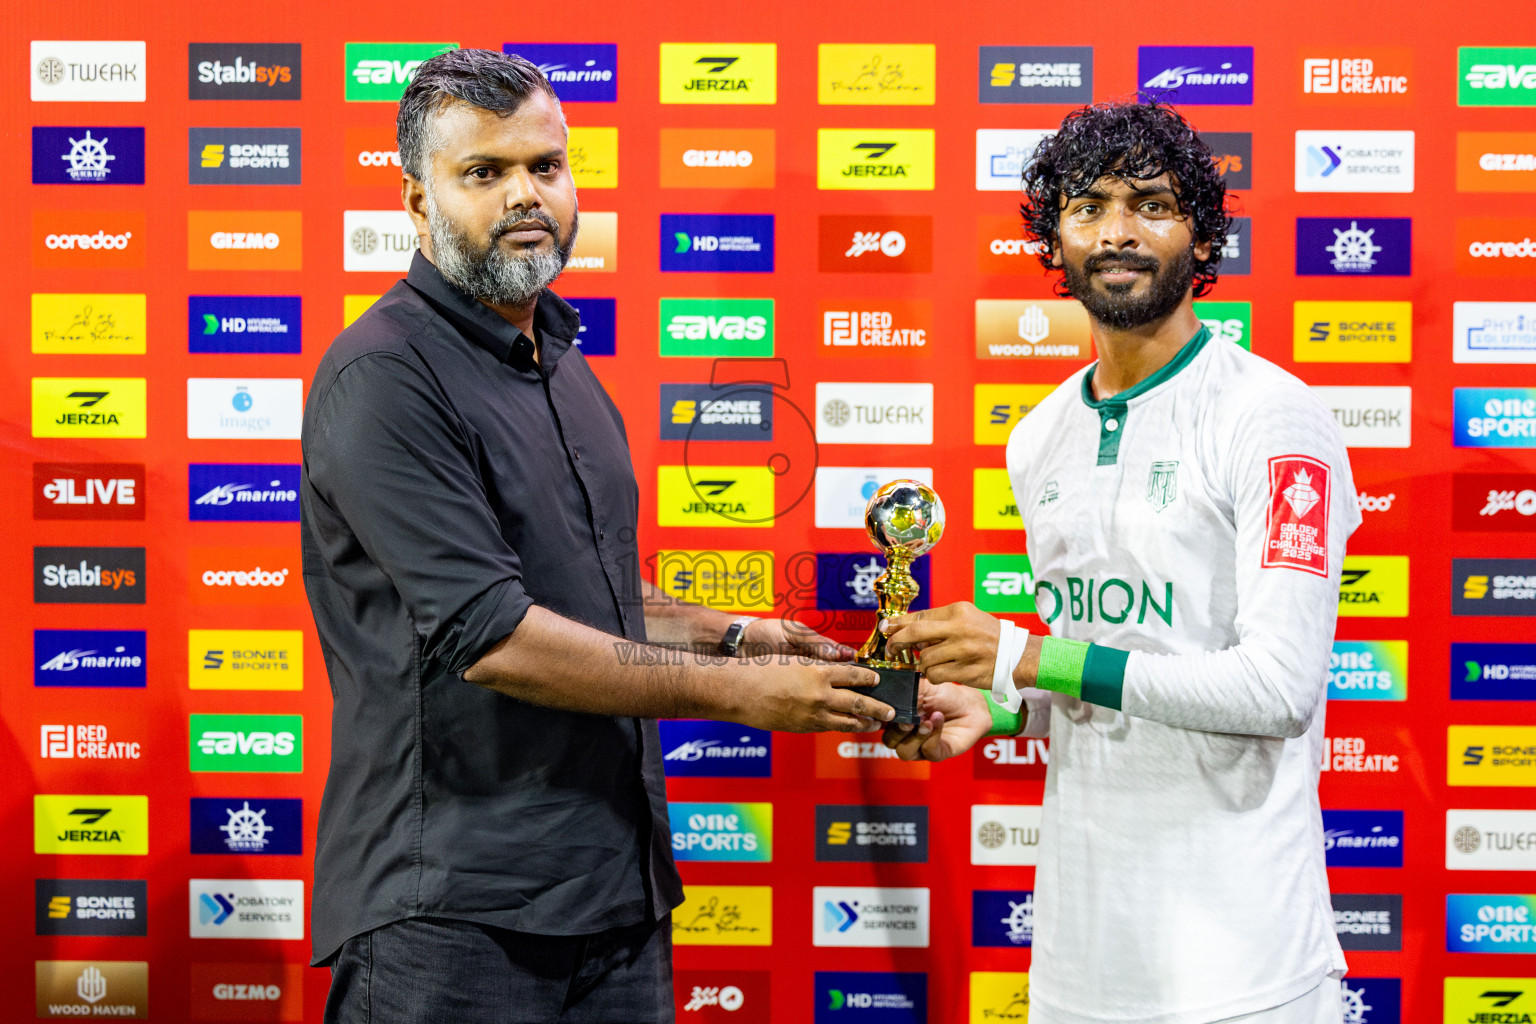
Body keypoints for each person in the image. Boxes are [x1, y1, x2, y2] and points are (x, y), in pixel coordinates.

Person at [300, 48, 889, 1024]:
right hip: (454, 913)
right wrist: (741, 692)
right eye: (483, 172)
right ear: (416, 203)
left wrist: (735, 635)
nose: (525, 193)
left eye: (544, 165)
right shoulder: (383, 376)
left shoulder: (561, 360)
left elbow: (590, 591)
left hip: (614, 892)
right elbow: (495, 634)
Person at [881, 100, 1359, 1023]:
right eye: (1087, 205)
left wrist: (1028, 659)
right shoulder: (1038, 438)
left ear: (1201, 231)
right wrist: (994, 707)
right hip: (1082, 962)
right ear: (1052, 236)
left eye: (1150, 203)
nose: (1117, 231)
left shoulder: (1270, 417)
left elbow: (1278, 690)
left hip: (1244, 965)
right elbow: (1106, 658)